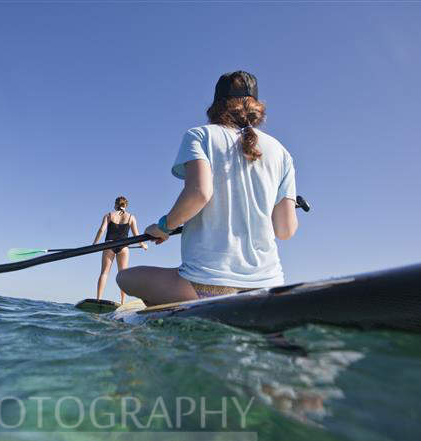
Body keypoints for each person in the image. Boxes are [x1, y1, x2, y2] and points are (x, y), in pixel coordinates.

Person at [117, 71, 298, 305]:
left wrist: (165, 226)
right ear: (256, 106)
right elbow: (285, 230)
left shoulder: (200, 135)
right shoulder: (282, 153)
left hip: (205, 287)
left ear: (217, 104)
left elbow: (199, 193)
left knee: (125, 278)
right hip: (268, 287)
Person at [93, 196, 148, 304]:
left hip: (108, 245)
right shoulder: (131, 217)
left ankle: (98, 299)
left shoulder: (109, 215)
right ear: (126, 206)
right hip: (124, 247)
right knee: (122, 275)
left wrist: (94, 244)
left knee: (104, 273)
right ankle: (123, 302)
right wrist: (143, 245)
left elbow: (102, 229)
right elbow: (136, 235)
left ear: (115, 205)